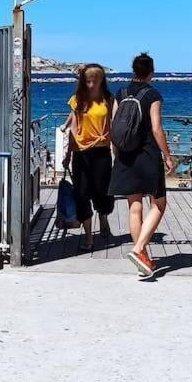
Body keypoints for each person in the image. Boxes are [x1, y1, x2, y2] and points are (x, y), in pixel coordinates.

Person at [110, 53, 174, 278]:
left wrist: (116, 153)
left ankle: (143, 257)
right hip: (147, 154)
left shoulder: (121, 93)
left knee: (134, 206)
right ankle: (138, 250)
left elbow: (114, 125)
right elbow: (156, 128)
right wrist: (167, 155)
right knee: (159, 204)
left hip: (125, 156)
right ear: (151, 71)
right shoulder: (153, 94)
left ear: (133, 70)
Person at [60, 63, 115, 251]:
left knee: (102, 192)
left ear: (101, 81)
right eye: (88, 81)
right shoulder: (77, 99)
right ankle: (89, 237)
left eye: (95, 81)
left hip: (102, 152)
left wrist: (118, 150)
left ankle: (103, 217)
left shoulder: (108, 99)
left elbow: (113, 125)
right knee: (81, 194)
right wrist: (67, 154)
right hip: (80, 152)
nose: (91, 85)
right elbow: (73, 128)